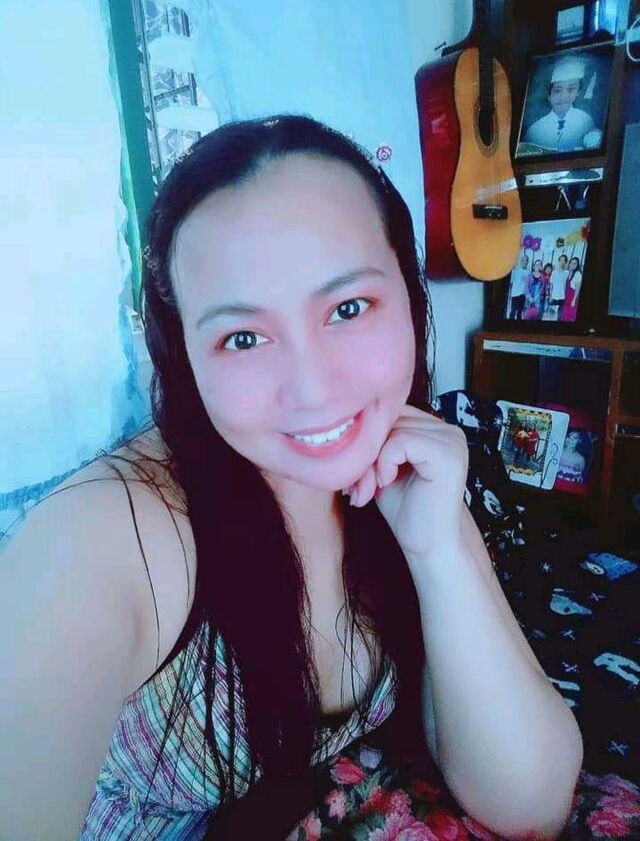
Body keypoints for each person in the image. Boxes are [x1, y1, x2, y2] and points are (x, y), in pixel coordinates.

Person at [0, 114, 583, 840]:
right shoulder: (107, 536)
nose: (312, 389)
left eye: (347, 308)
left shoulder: (401, 462)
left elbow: (530, 803)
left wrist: (441, 548)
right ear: (184, 354)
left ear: (409, 297)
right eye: (243, 337)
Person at [524, 59, 596, 153]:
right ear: (548, 95)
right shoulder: (534, 130)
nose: (563, 96)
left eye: (571, 89)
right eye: (557, 91)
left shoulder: (586, 121)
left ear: (578, 92)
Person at [508, 254, 529, 320]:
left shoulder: (528, 272)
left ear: (528, 262)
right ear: (521, 261)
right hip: (515, 294)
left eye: (526, 260)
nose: (525, 262)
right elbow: (511, 282)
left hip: (523, 295)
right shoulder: (515, 271)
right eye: (523, 260)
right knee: (513, 311)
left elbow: (528, 284)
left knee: (520, 312)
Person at [562, 257, 584, 323]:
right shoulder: (568, 272)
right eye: (571, 263)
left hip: (572, 298)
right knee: (564, 316)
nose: (572, 265)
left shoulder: (578, 274)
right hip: (566, 298)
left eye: (575, 264)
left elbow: (577, 289)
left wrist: (574, 300)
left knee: (570, 317)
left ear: (577, 265)